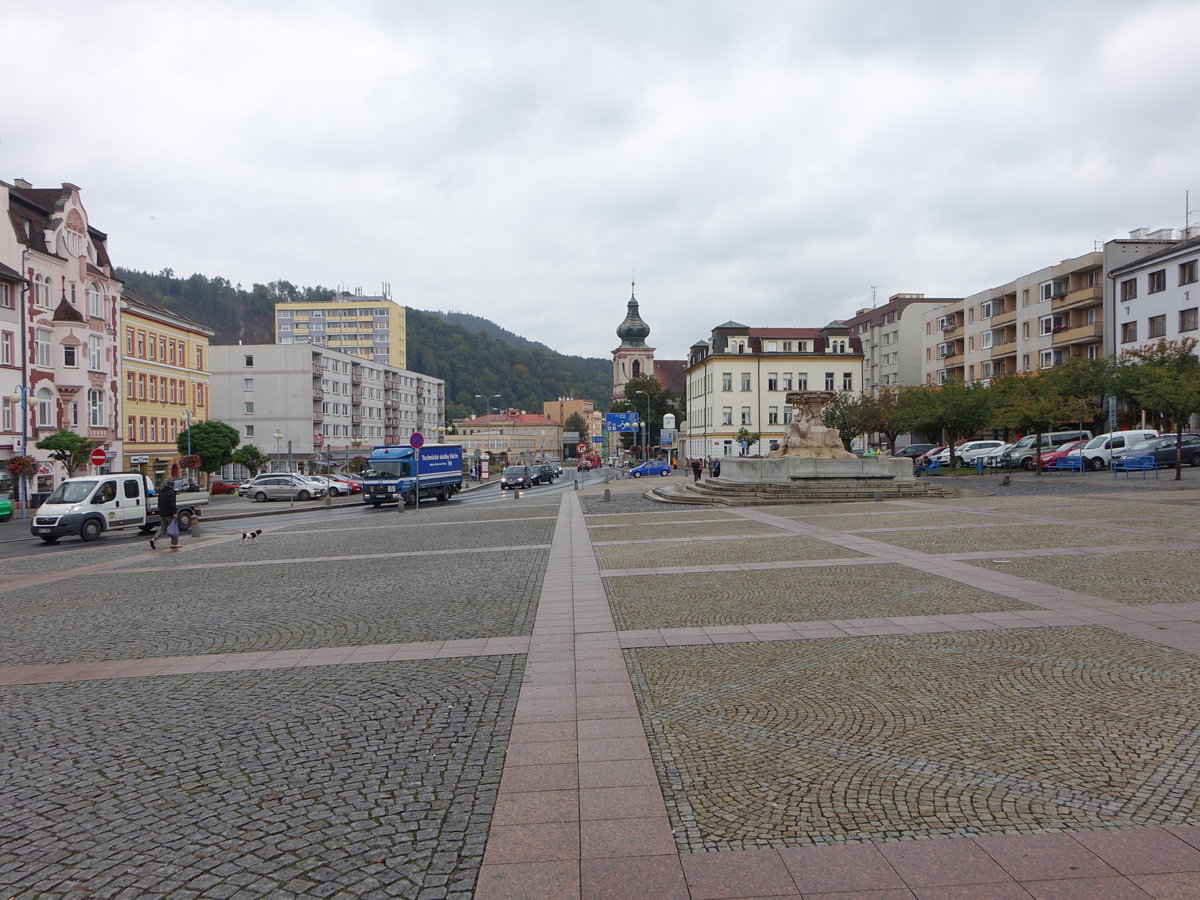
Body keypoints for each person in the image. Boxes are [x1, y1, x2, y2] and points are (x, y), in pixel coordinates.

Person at [150, 480, 178, 550]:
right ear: (172, 486)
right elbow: (172, 504)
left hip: (162, 513)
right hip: (169, 513)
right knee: (173, 528)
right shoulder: (171, 493)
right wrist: (174, 513)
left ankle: (154, 539)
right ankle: (174, 543)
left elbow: (159, 504)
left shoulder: (161, 493)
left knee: (163, 528)